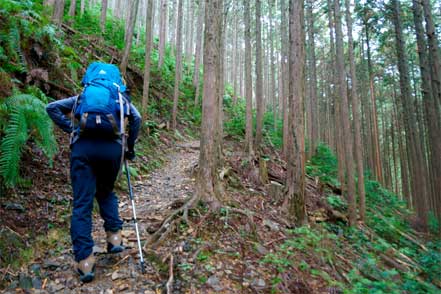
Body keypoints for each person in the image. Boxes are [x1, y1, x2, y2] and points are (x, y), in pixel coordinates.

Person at [46, 63, 141, 283]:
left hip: (83, 150)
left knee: (82, 204)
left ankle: (85, 262)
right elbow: (136, 119)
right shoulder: (120, 98)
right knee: (106, 192)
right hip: (112, 150)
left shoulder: (81, 98)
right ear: (115, 80)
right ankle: (115, 240)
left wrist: (73, 130)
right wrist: (130, 149)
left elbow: (52, 107)